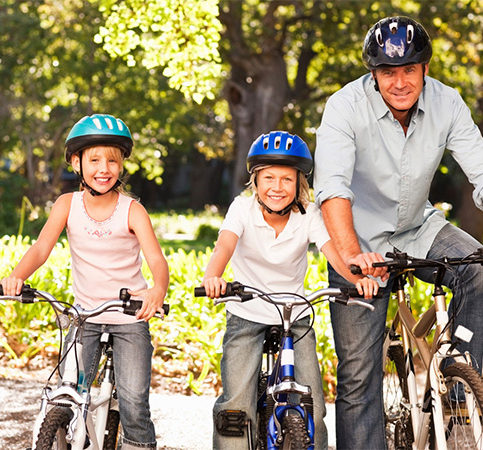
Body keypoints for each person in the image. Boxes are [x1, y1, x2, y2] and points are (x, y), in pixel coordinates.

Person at [313, 15, 483, 450]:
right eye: (389, 72)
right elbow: (332, 186)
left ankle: (463, 386)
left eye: (410, 69)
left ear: (425, 68)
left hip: (417, 228)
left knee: (479, 269)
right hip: (360, 243)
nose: (401, 82)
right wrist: (353, 257)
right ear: (374, 74)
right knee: (358, 378)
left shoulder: (448, 102)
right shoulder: (345, 106)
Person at [0, 113, 169, 450]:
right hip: (85, 316)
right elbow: (41, 248)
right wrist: (18, 275)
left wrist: (157, 290)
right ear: (77, 162)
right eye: (94, 160)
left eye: (112, 160)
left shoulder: (132, 210)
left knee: (134, 401)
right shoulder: (67, 205)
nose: (103, 168)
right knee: (70, 390)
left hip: (128, 317)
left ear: (121, 166)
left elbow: (157, 261)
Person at [201, 131, 379, 450]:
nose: (277, 187)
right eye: (268, 177)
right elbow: (223, 248)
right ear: (255, 181)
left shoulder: (308, 215)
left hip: (294, 317)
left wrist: (356, 280)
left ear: (299, 184)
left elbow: (333, 254)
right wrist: (213, 278)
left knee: (313, 405)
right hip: (247, 312)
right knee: (236, 405)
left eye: (287, 179)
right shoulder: (242, 210)